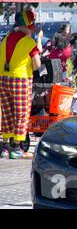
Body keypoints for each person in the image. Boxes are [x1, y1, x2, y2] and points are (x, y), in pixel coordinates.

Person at [0, 9, 42, 159]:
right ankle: (17, 148)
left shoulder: (5, 39)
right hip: (21, 79)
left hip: (3, 79)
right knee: (21, 113)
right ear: (29, 25)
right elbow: (37, 64)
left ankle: (4, 147)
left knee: (7, 113)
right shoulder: (29, 42)